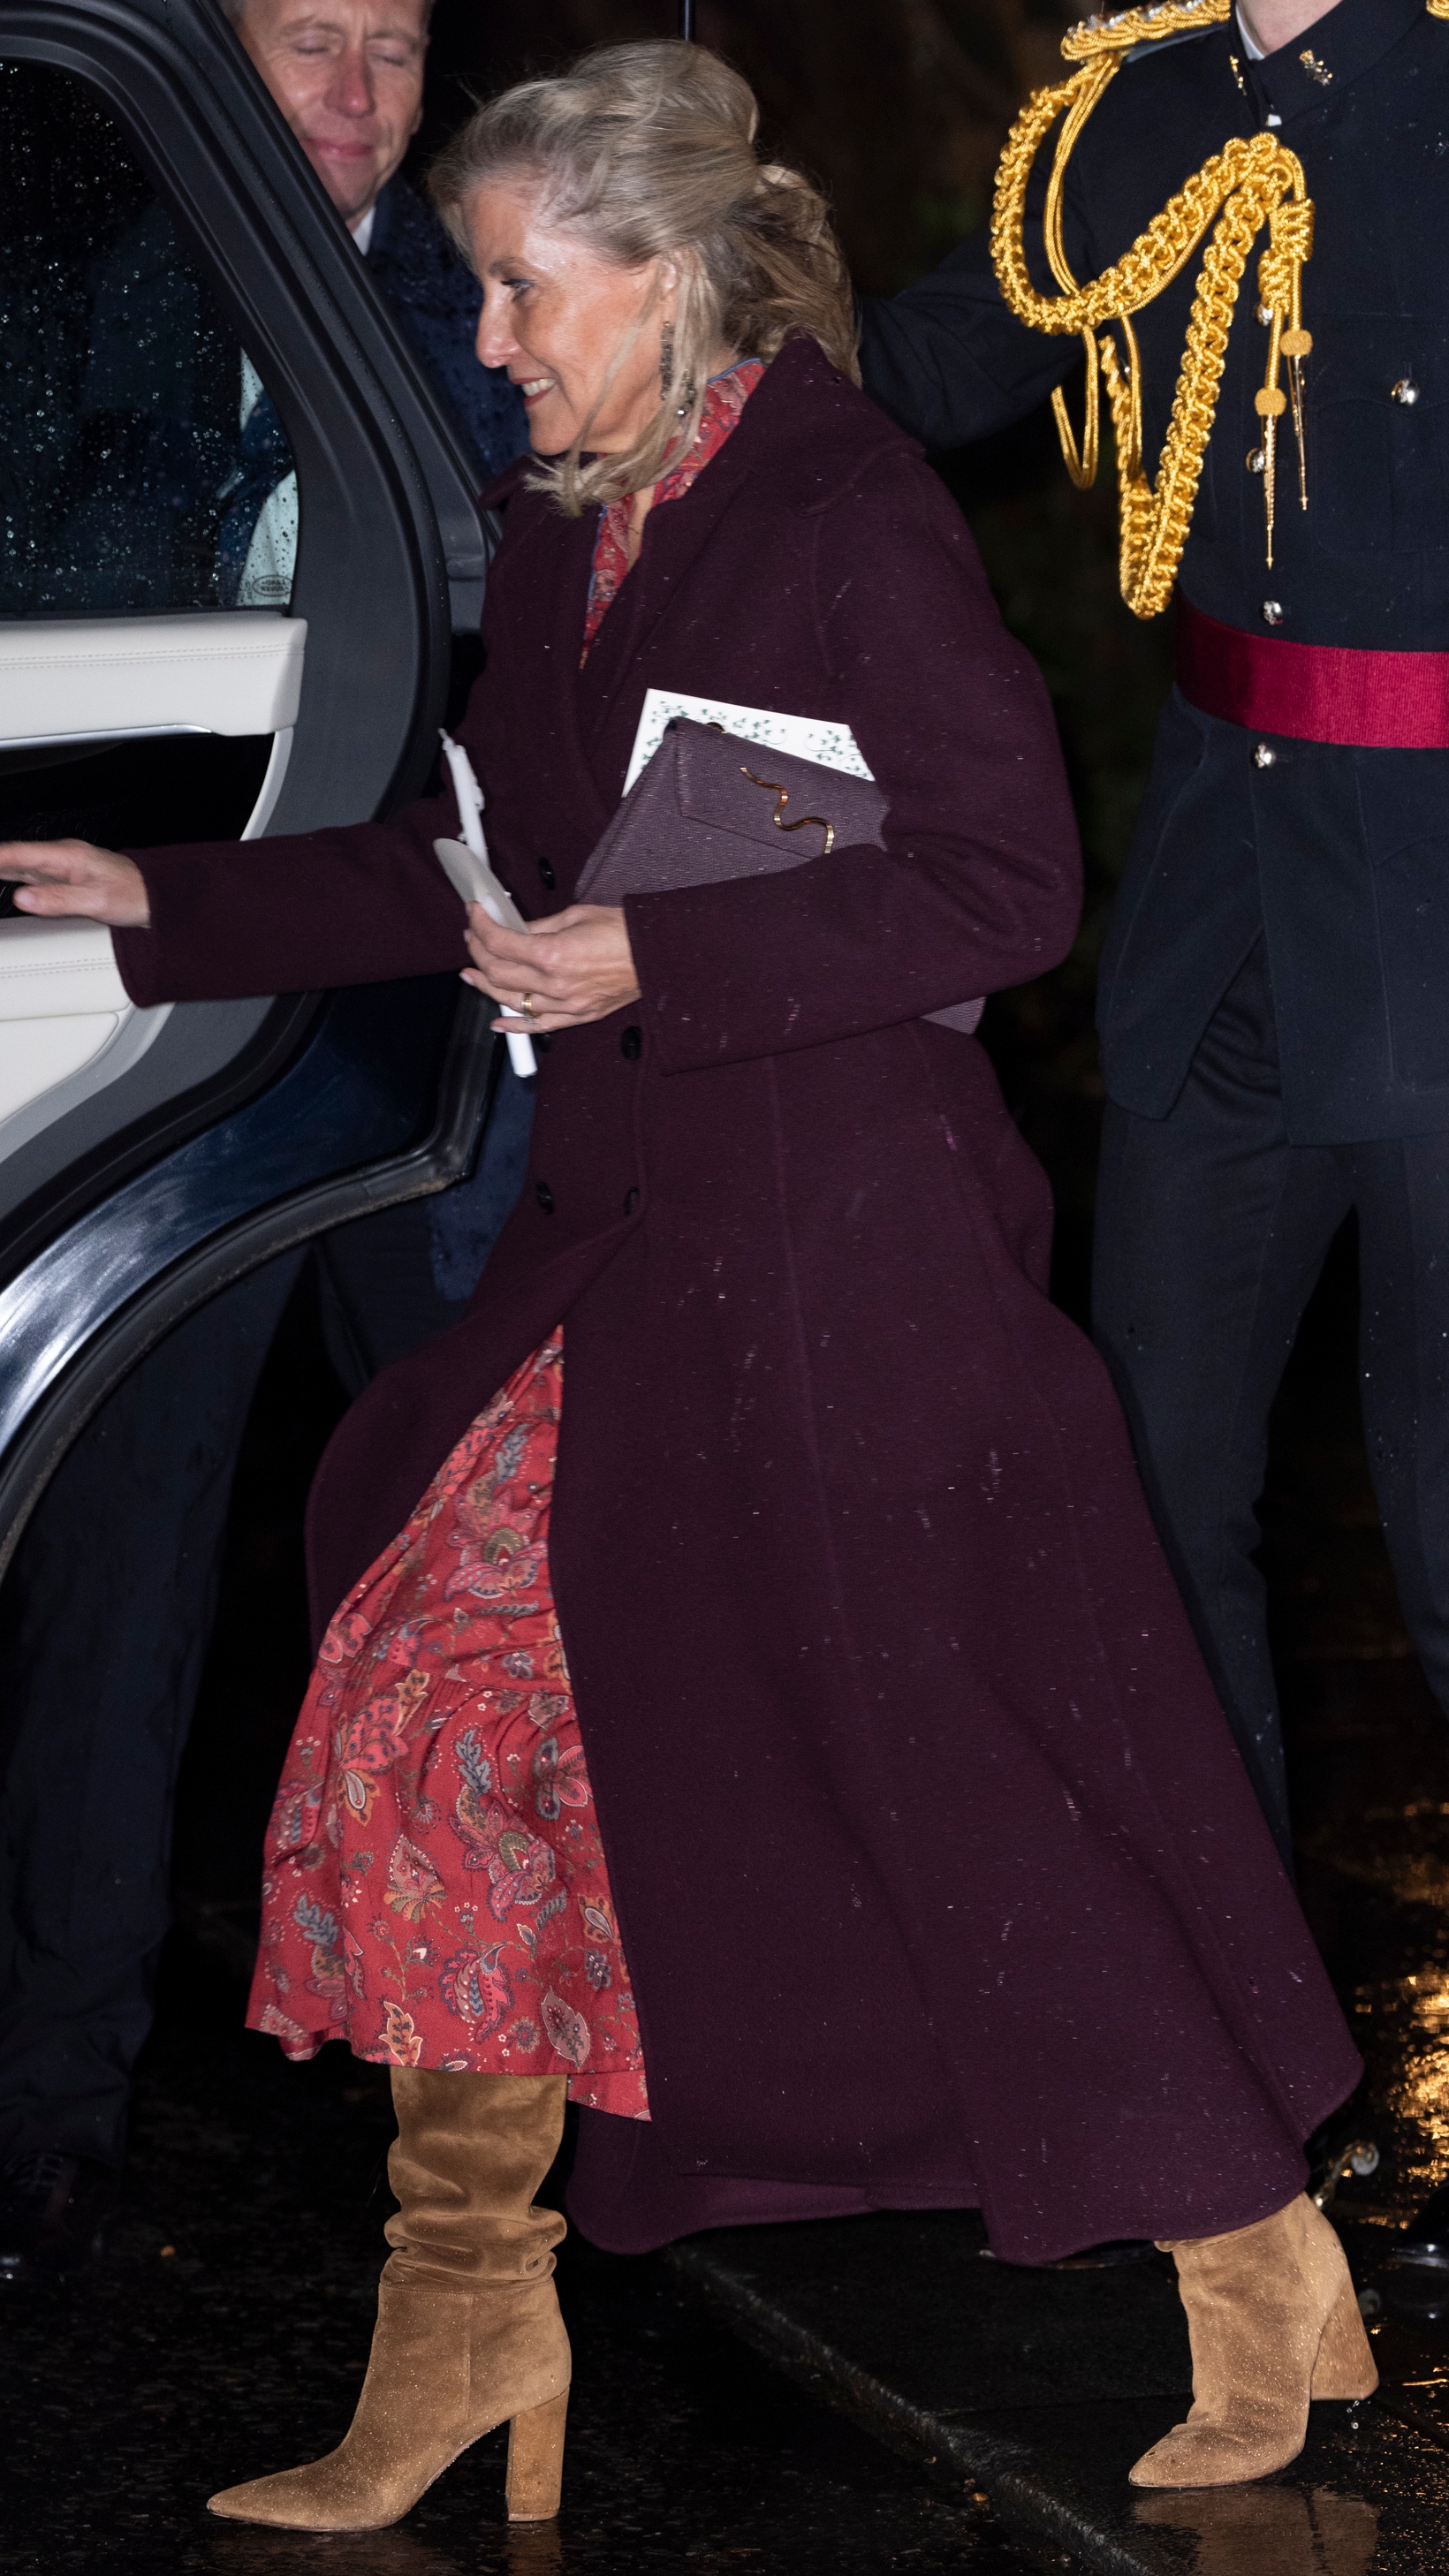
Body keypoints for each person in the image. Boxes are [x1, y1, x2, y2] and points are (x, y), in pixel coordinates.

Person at [3, 39, 1377, 2524]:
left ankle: (1256, 2253)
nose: (493, 341)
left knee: (977, 1789)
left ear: (665, 275)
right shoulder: (573, 532)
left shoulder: (841, 506)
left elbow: (1003, 881)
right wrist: (165, 899)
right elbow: (486, 868)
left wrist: (663, 951)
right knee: (440, 1714)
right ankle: (464, 2322)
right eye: (483, 292)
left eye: (525, 291)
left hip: (854, 1272)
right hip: (635, 1259)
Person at [854, 0, 1449, 2256]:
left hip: (1440, 909)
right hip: (1223, 909)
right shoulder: (1133, 116)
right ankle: (1246, 2097)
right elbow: (923, 367)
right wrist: (687, 310)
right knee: (1149, 1488)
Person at [0, 0, 531, 2280]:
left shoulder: (507, 293)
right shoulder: (80, 288)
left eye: (391, 45)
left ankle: (495, 2128)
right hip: (181, 1037)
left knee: (472, 1587)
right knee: (120, 1564)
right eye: (306, 38)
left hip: (450, 1041)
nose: (353, 93)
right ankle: (53, 2101)